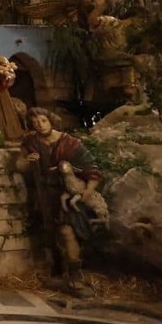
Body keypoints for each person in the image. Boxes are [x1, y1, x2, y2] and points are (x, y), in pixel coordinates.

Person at [15, 107, 102, 296]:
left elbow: (92, 169)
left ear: (50, 120)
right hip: (43, 193)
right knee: (50, 232)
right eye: (35, 123)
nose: (40, 125)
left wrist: (86, 192)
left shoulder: (69, 143)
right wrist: (28, 161)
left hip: (66, 193)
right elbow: (19, 165)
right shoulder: (31, 142)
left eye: (43, 121)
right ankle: (58, 271)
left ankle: (76, 273)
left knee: (67, 230)